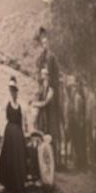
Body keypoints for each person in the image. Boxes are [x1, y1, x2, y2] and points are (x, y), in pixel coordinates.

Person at [36, 26, 63, 166]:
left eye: (46, 43)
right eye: (42, 43)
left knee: (52, 128)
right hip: (43, 92)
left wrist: (50, 89)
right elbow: (38, 75)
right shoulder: (40, 58)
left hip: (51, 95)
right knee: (41, 126)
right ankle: (44, 158)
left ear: (49, 43)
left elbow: (54, 78)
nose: (44, 45)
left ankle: (56, 160)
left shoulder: (52, 57)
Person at [0, 76, 26, 193]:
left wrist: (24, 132)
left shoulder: (20, 106)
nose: (13, 92)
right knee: (9, 157)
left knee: (19, 158)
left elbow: (23, 122)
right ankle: (10, 184)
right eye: (11, 90)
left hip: (18, 134)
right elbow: (4, 118)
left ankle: (18, 184)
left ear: (17, 92)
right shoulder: (7, 104)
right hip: (10, 133)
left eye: (14, 90)